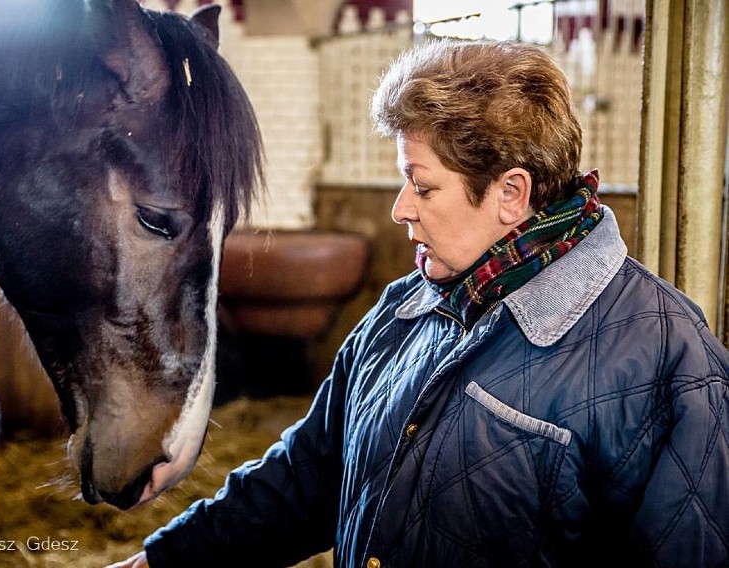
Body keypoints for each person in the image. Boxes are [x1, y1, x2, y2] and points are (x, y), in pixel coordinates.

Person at [108, 38, 729, 568]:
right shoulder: (406, 308)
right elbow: (311, 476)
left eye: (423, 185)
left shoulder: (668, 358)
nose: (401, 209)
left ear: (512, 193)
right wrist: (169, 557)